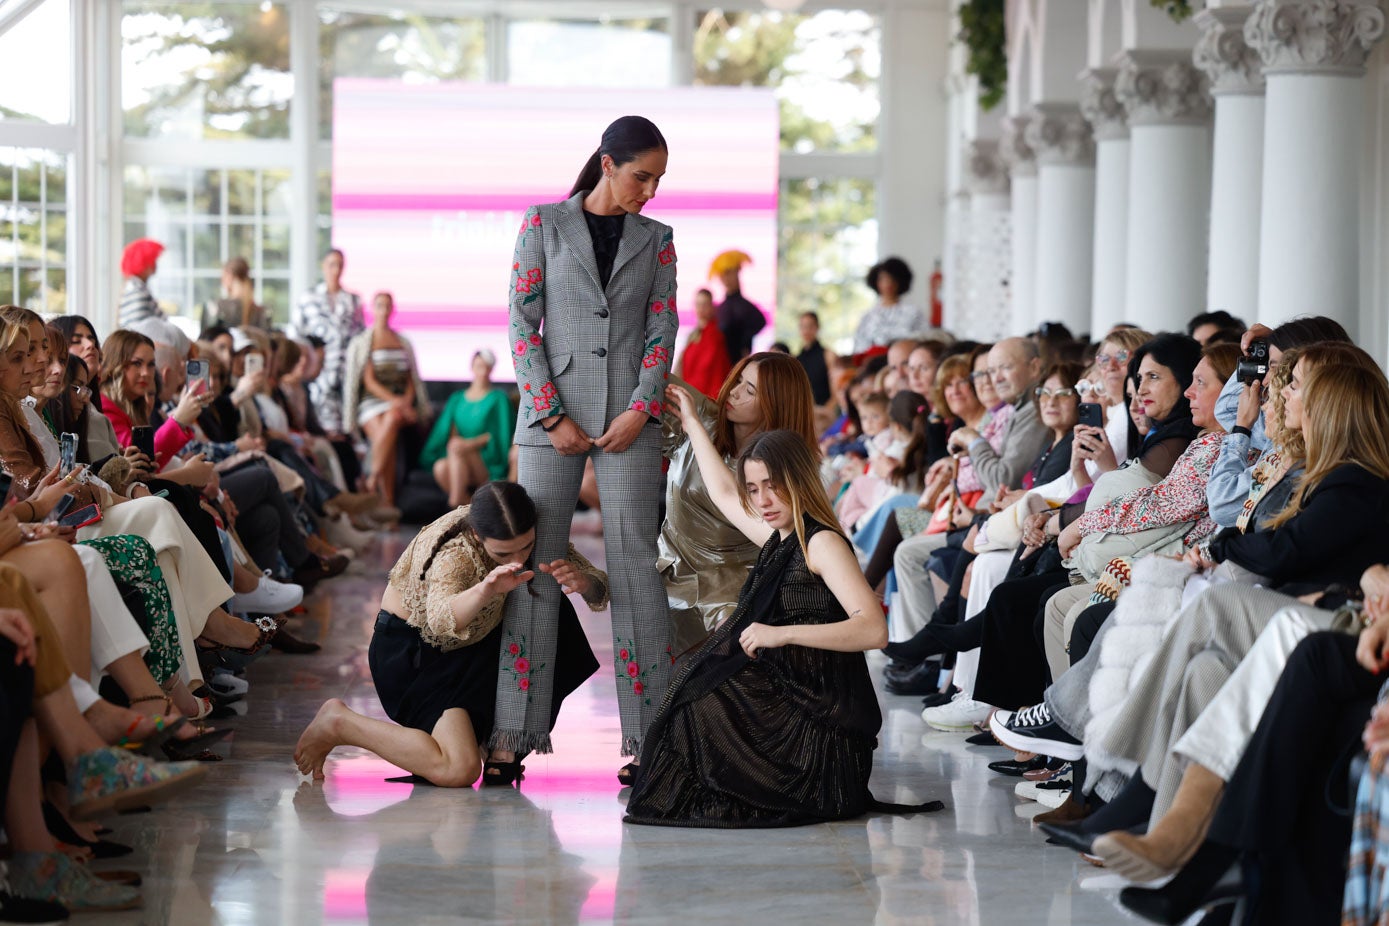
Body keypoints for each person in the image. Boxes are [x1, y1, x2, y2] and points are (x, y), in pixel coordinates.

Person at [626, 411, 943, 827]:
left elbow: (873, 629)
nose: (763, 501)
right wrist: (691, 424)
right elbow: (722, 493)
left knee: (701, 698)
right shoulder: (780, 538)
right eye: (755, 490)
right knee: (692, 678)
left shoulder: (822, 542)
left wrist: (780, 634)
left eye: (773, 487)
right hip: (791, 694)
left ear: (798, 481)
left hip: (820, 723)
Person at [495, 115, 678, 780]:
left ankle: (649, 738)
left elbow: (662, 329)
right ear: (607, 163)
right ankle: (513, 731)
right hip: (553, 417)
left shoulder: (658, 240)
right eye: (641, 175)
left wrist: (639, 408)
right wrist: (548, 414)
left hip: (631, 422)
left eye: (658, 179)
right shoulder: (543, 224)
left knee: (635, 569)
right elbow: (520, 322)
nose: (650, 190)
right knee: (532, 565)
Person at [293, 483, 602, 786]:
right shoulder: (453, 554)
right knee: (459, 769)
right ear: (478, 536)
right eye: (503, 553)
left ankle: (500, 741)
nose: (517, 560)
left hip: (466, 651)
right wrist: (486, 590)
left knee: (552, 603)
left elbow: (600, 585)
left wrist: (583, 582)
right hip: (414, 657)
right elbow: (441, 621)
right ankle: (339, 723)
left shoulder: (523, 532)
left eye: (526, 547)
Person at [659, 353, 818, 655]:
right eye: (738, 380)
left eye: (750, 390)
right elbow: (651, 375)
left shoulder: (785, 470)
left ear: (776, 404)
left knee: (733, 652)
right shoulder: (705, 415)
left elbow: (737, 502)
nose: (733, 392)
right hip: (672, 563)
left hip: (734, 579)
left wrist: (692, 426)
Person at [343, 292, 429, 507]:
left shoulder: (402, 342)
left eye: (387, 306)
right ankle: (387, 504)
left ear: (392, 309)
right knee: (389, 433)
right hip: (371, 403)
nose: (383, 310)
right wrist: (396, 402)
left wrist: (406, 401)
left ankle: (370, 479)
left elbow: (412, 379)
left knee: (391, 419)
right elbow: (369, 381)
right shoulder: (364, 342)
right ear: (373, 308)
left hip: (398, 404)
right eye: (379, 305)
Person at [422, 349, 515, 506]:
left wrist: (468, 444)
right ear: (472, 367)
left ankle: (455, 502)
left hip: (485, 459)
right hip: (458, 456)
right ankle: (468, 509)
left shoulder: (498, 399)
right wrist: (458, 444)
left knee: (457, 448)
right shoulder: (457, 399)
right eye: (479, 366)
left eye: (487, 367)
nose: (483, 371)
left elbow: (500, 435)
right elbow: (447, 430)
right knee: (440, 467)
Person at [291, 248, 364, 436]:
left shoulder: (353, 301)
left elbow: (359, 337)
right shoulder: (309, 298)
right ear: (324, 266)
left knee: (346, 428)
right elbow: (296, 333)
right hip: (317, 373)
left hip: (345, 373)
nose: (336, 270)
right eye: (332, 264)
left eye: (340, 265)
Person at [853, 257, 926, 352]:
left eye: (892, 279)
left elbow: (924, 340)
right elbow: (860, 345)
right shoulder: (868, 316)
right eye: (883, 279)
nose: (888, 283)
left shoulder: (913, 312)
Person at [674, 288, 730, 398]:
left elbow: (710, 373)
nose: (701, 309)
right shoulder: (694, 335)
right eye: (698, 304)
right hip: (690, 393)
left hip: (702, 397)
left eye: (705, 304)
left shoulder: (714, 336)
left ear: (712, 307)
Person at [710, 250, 764, 363]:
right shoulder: (721, 308)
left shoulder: (745, 306)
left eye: (730, 273)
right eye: (723, 274)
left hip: (738, 363)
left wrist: (745, 342)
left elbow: (760, 321)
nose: (726, 278)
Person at [201, 257, 267, 333]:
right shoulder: (260, 310)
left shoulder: (218, 306)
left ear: (229, 275)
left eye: (223, 275)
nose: (221, 279)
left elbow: (207, 336)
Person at [117, 239, 165, 327]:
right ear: (144, 262)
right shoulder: (136, 290)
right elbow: (139, 330)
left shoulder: (135, 287)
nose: (155, 265)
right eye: (153, 261)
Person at [796, 311, 836, 407]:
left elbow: (836, 393)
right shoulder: (796, 359)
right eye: (803, 326)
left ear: (817, 327)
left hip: (824, 412)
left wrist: (825, 411)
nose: (806, 331)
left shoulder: (828, 355)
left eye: (810, 326)